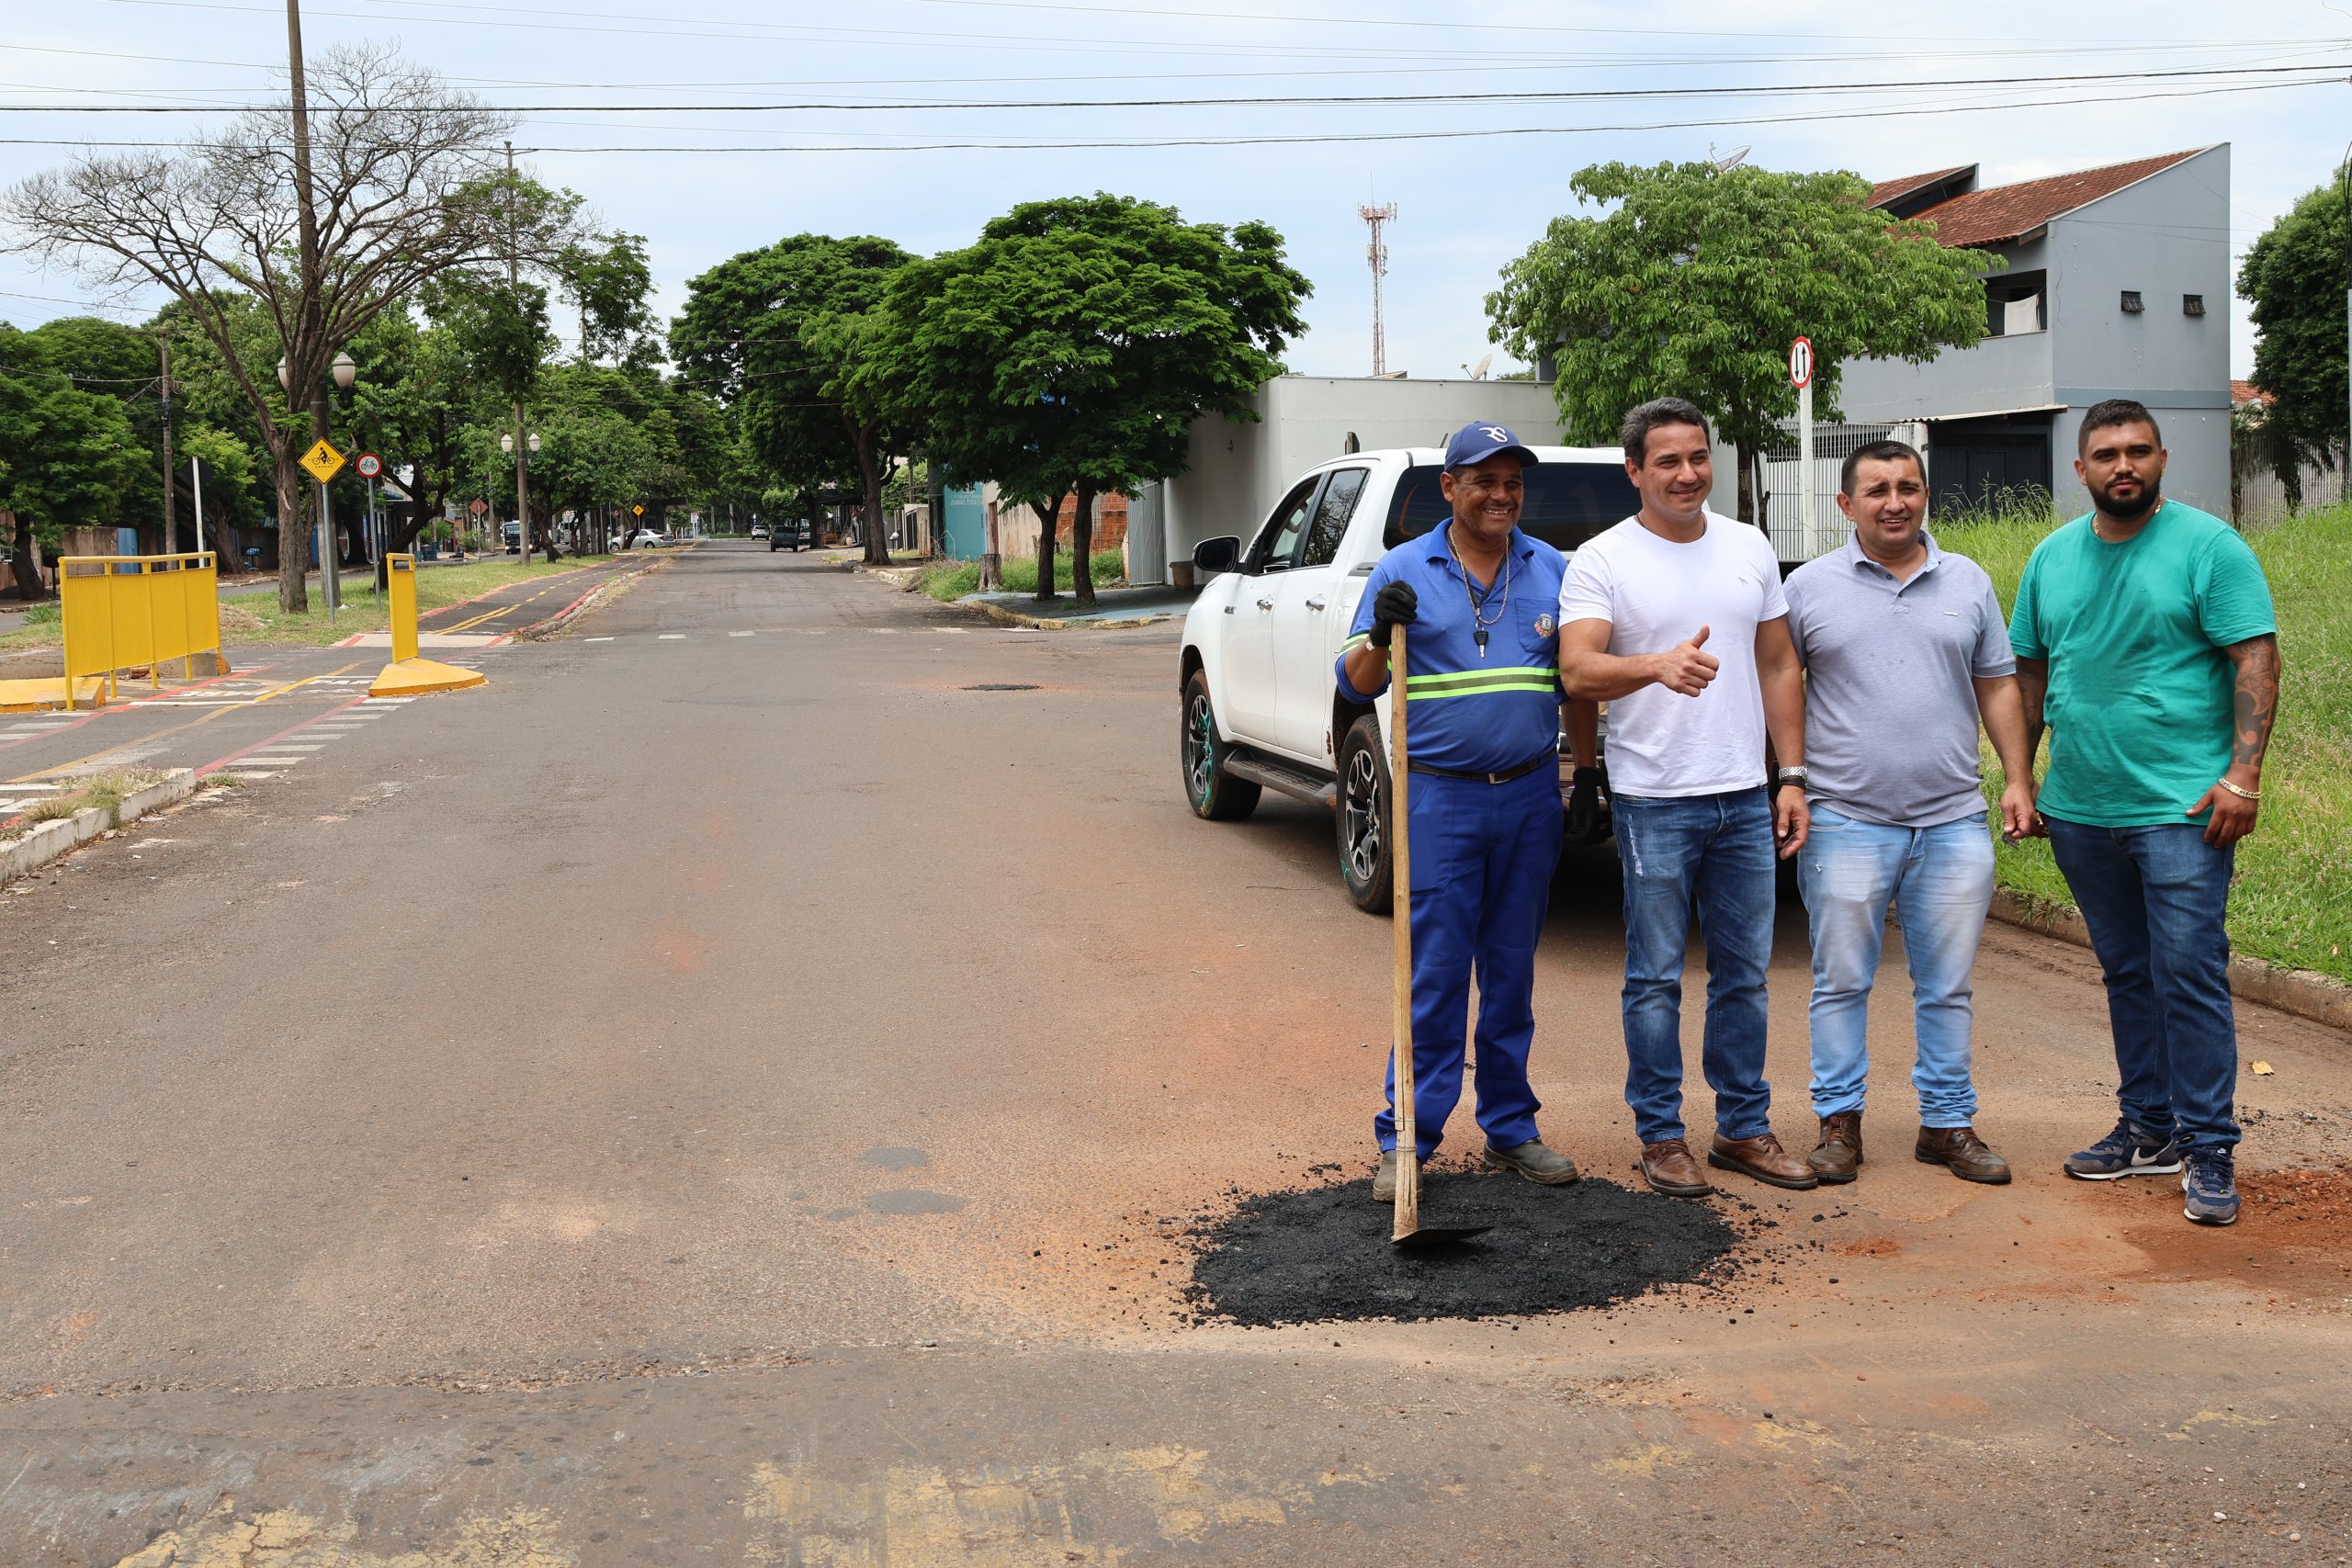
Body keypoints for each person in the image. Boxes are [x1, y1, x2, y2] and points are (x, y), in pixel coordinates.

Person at [2010, 399, 2279, 1226]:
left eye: (2137, 451)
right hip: (2080, 809)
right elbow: (2029, 672)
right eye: (2105, 454)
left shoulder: (2210, 547)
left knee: (2188, 969)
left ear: (2161, 459)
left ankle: (2209, 1146)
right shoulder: (2051, 557)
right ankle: (2149, 1125)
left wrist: (2243, 775)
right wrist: (2020, 776)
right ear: (2080, 468)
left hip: (2182, 808)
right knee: (2128, 971)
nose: (2121, 465)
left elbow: (2255, 655)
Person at [1558, 398, 1817, 1197]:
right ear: (1634, 470)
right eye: (1667, 461)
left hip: (1743, 794)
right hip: (1654, 798)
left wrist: (1792, 775)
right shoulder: (1602, 558)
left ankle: (1742, 1127)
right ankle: (1662, 1135)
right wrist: (1655, 665)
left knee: (1744, 973)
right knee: (1655, 977)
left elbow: (1779, 664)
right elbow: (1577, 670)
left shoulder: (1748, 546)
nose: (1687, 473)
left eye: (1698, 457)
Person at [1338, 421, 1586, 1200]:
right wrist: (1380, 632)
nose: (1500, 495)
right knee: (1436, 974)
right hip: (1440, 797)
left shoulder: (1553, 568)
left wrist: (1584, 774)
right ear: (1449, 487)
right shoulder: (1404, 568)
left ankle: (1509, 1129)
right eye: (1483, 480)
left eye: (1512, 482)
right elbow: (1356, 682)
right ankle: (1408, 1136)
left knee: (1511, 973)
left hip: (1530, 794)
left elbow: (1576, 680)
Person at [1781, 439, 2038, 1186]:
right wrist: (1789, 779)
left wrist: (2017, 777)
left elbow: (1997, 682)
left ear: (1926, 494)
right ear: (1846, 504)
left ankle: (1947, 1124)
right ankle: (1839, 1123)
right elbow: (1780, 682)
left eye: (1908, 487)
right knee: (1841, 981)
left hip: (1952, 819)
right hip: (1844, 818)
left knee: (1948, 985)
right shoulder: (1808, 588)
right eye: (1877, 490)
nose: (1894, 502)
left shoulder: (1969, 580)